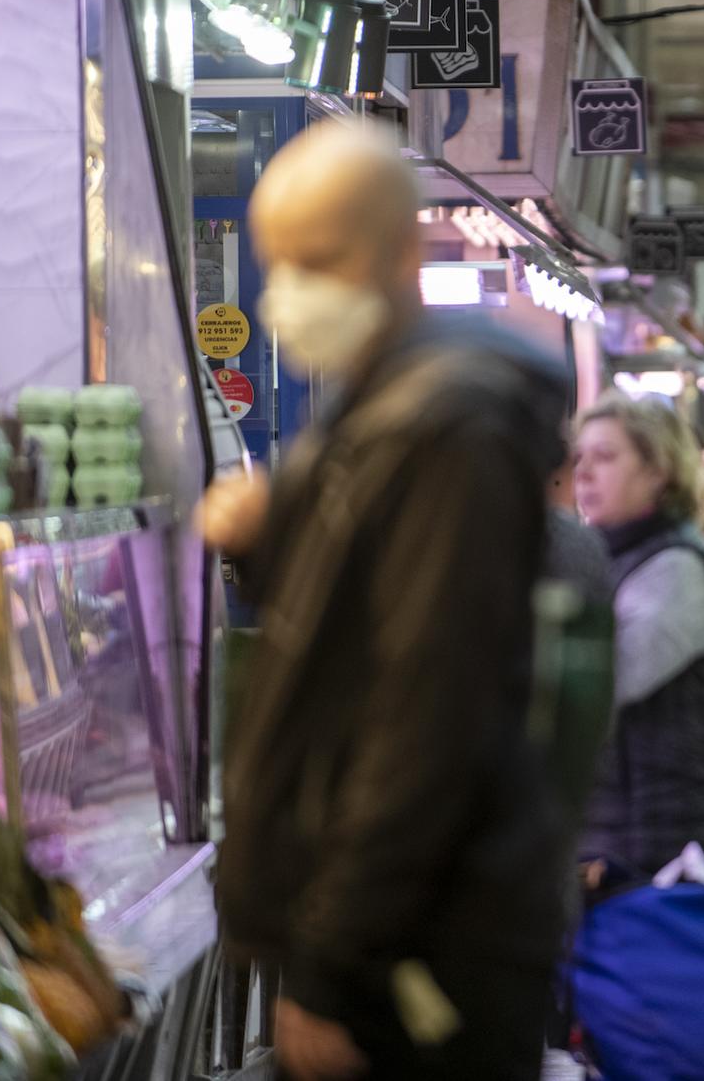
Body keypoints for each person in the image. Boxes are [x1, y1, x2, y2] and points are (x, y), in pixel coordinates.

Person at [204, 121, 569, 1081]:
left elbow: (426, 710)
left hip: (424, 943)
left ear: (403, 252)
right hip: (400, 930)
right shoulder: (381, 406)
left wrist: (333, 966)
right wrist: (274, 540)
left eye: (321, 259)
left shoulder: (450, 427)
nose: (294, 290)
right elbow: (363, 629)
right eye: (282, 262)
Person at [572, 394, 704, 877]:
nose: (584, 473)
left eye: (606, 457)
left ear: (658, 471)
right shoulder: (609, 557)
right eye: (580, 458)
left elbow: (595, 686)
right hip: (624, 835)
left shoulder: (676, 569)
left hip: (670, 851)